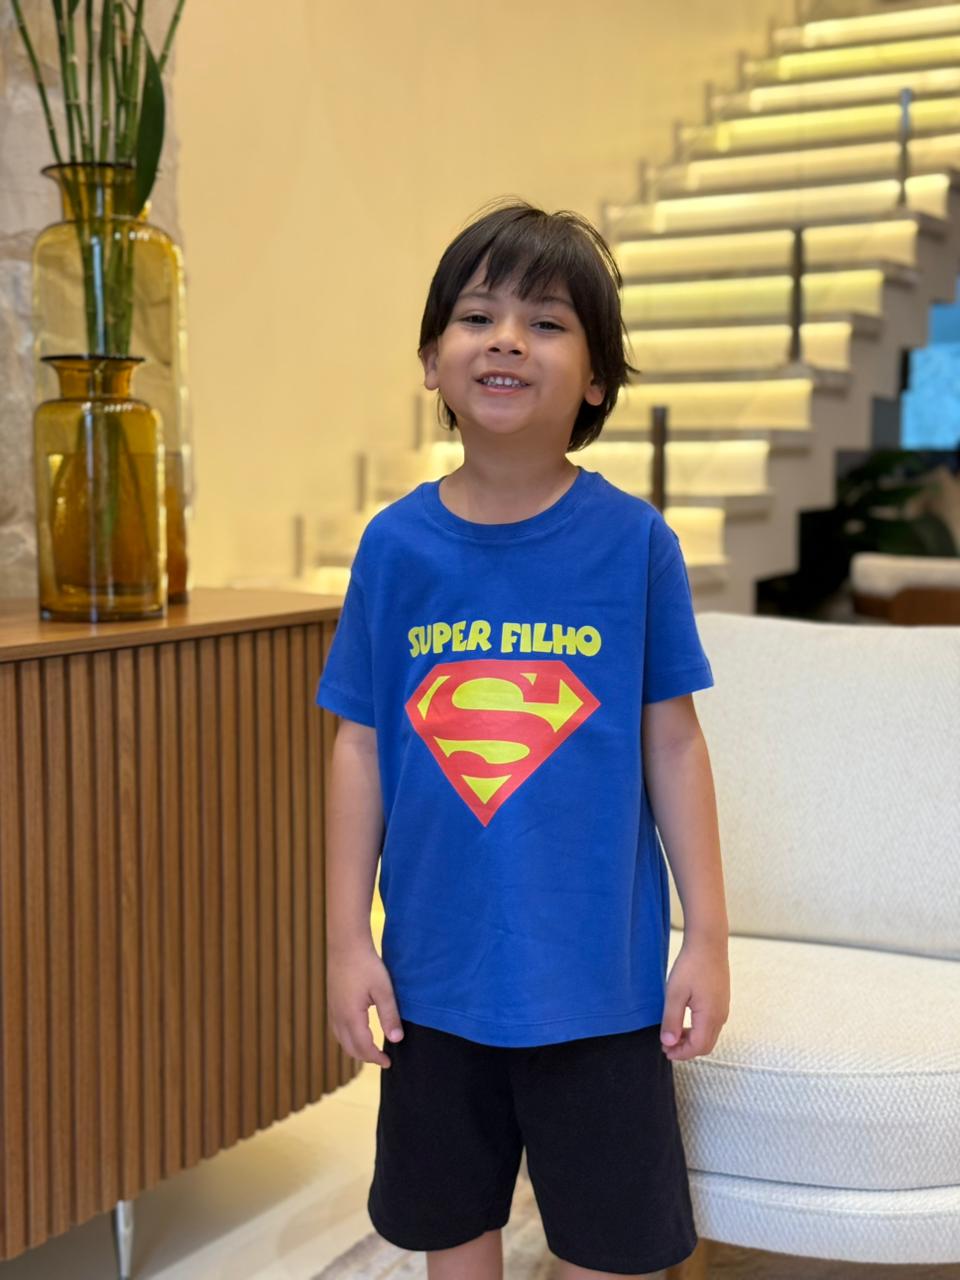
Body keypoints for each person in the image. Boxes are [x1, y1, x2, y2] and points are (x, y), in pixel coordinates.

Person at [316, 197, 731, 1280]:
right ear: (432, 360)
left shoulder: (636, 544)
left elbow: (674, 746)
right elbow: (359, 746)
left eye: (546, 322)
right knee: (452, 1227)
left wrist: (708, 936)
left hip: (603, 988)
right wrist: (347, 940)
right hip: (433, 982)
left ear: (596, 379)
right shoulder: (393, 548)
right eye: (477, 316)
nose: (506, 339)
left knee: (610, 1243)